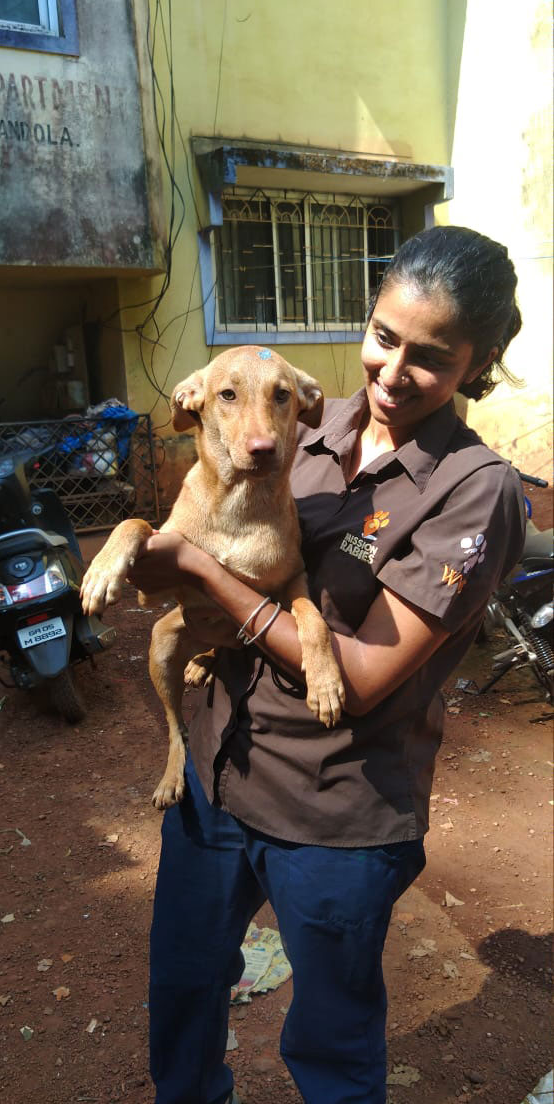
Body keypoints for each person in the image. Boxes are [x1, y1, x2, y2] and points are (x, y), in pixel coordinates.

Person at [128, 225, 526, 1104]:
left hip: (337, 811)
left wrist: (200, 574)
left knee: (332, 1043)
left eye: (429, 357)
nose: (389, 372)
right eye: (383, 337)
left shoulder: (473, 488)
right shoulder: (306, 423)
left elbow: (363, 674)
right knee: (183, 995)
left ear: (478, 361)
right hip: (219, 773)